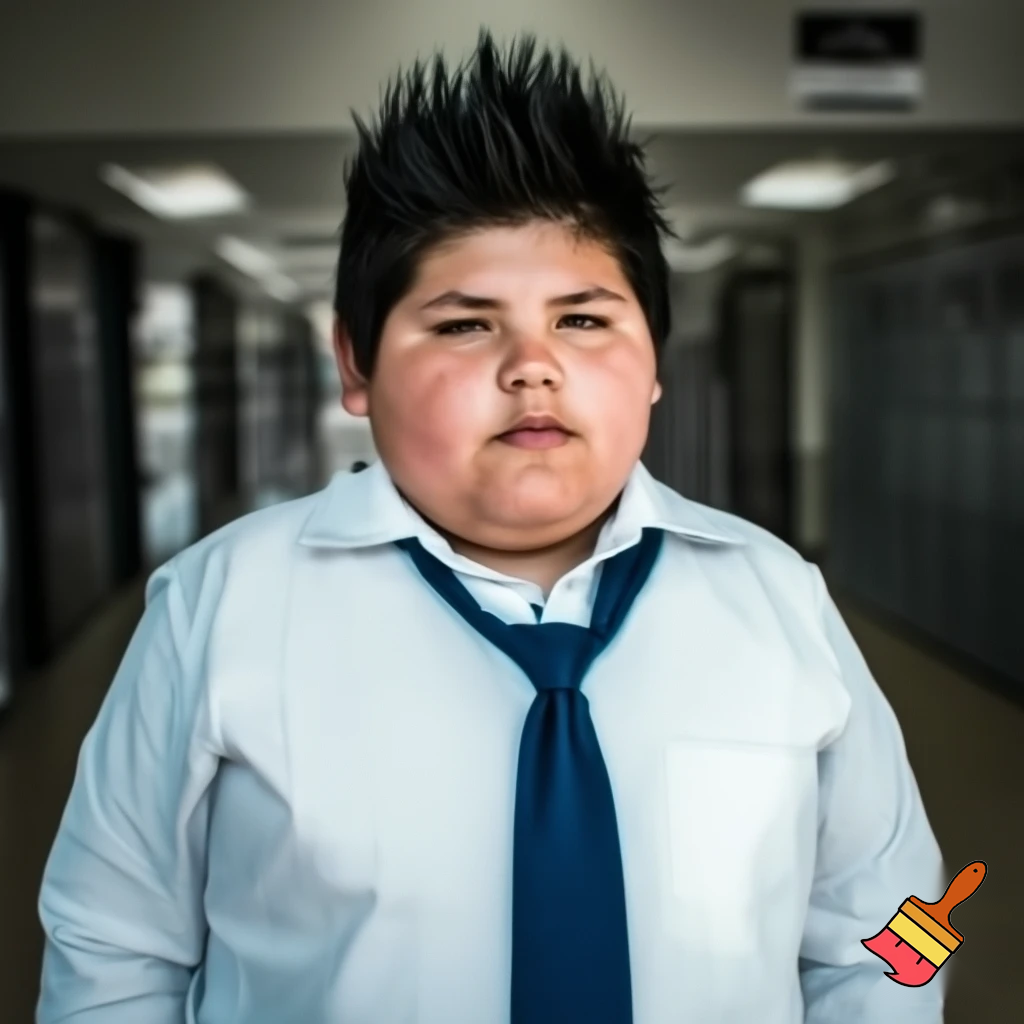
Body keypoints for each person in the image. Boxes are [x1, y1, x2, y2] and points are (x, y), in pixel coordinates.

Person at [37, 31, 945, 1024]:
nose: (531, 366)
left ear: (653, 362)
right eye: (465, 323)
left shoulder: (777, 598)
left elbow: (895, 918)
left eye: (584, 320)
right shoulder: (221, 605)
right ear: (355, 364)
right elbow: (111, 946)